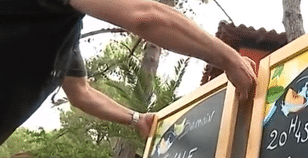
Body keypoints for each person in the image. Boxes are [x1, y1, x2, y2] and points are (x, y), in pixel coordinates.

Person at [0, 0, 256, 144]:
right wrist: (229, 58)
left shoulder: (62, 32)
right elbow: (142, 15)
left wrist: (136, 118)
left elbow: (81, 93)